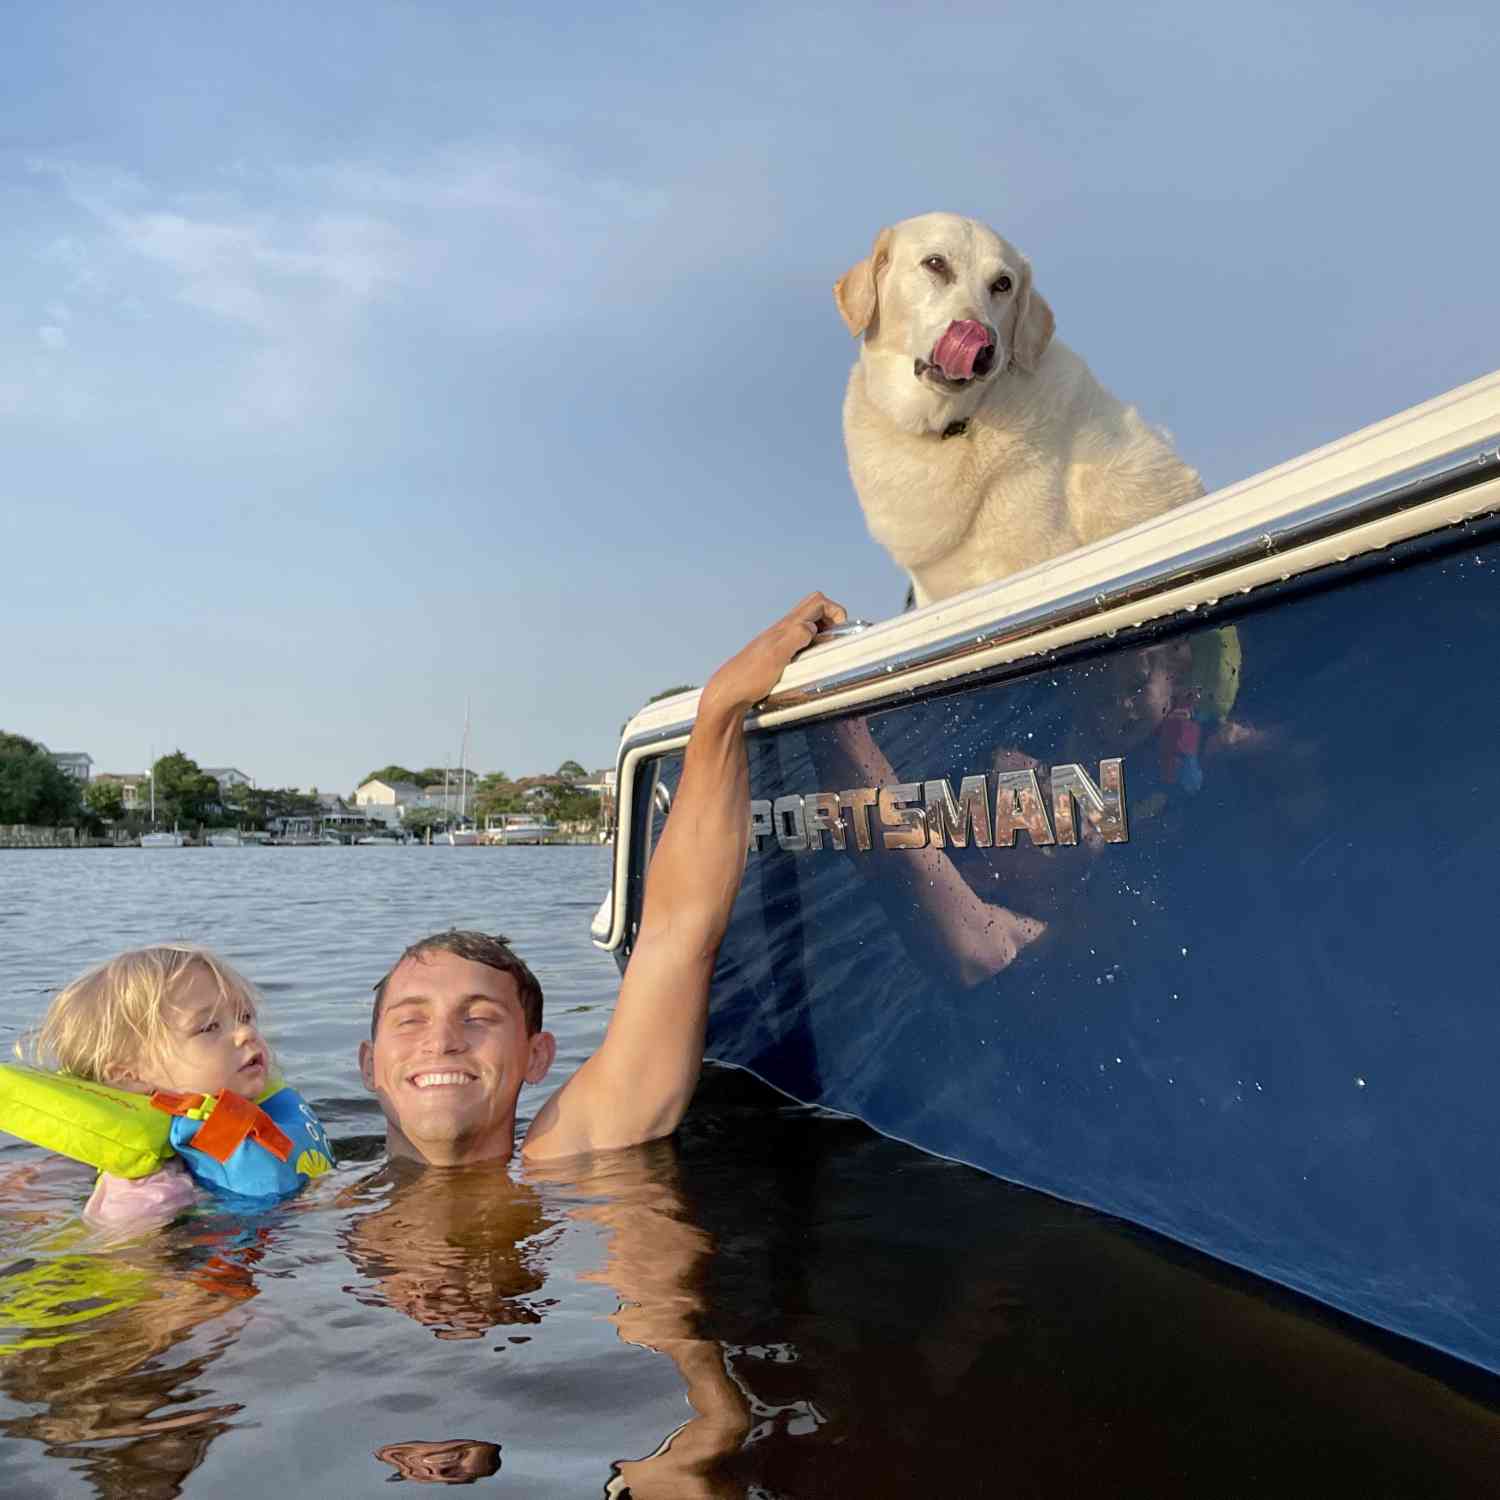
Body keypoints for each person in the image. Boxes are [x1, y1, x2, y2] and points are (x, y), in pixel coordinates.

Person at [358, 591, 847, 1167]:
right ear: (368, 1064)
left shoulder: (567, 1155)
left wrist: (719, 710)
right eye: (410, 1018)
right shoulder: (298, 1189)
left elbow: (675, 935)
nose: (442, 1041)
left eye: (480, 1017)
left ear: (537, 1057)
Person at [16, 943, 333, 1224]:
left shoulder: (264, 1109)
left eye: (245, 1016)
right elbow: (140, 1273)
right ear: (129, 1075)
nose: (246, 1033)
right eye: (209, 1027)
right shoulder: (147, 1190)